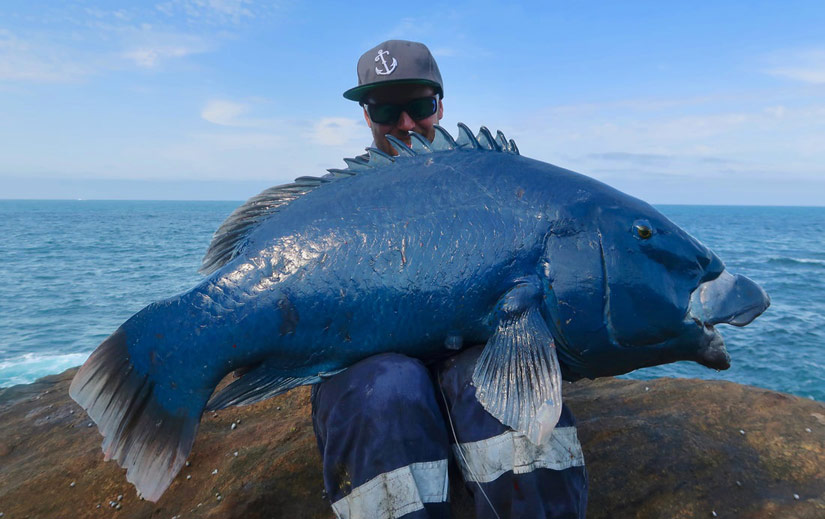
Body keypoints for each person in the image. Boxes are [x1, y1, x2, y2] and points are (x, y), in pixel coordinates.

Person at [311, 40, 588, 519]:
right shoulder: (339, 211)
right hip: (373, 365)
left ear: (440, 105)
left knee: (498, 394)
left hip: (471, 351)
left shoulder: (494, 185)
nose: (405, 124)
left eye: (419, 106)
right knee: (387, 391)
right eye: (385, 110)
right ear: (366, 115)